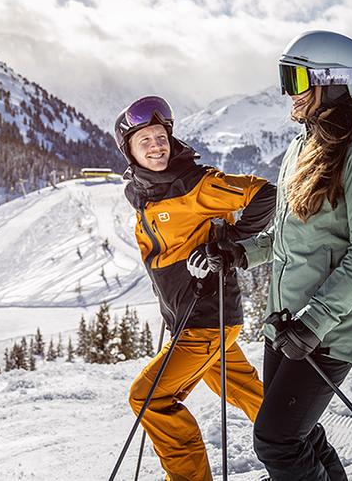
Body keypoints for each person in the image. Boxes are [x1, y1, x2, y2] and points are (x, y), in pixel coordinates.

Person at [231, 30, 352, 480]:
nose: (288, 92)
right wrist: (240, 253)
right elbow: (294, 237)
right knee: (298, 435)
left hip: (327, 329)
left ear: (333, 82)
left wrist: (315, 321)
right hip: (287, 322)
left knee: (277, 440)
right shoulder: (302, 146)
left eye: (296, 79)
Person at [115, 95, 276, 481]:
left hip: (205, 319)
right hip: (192, 319)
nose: (156, 145)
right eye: (145, 141)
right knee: (251, 394)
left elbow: (265, 194)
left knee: (149, 398)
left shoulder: (196, 183)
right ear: (130, 152)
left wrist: (231, 242)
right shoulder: (146, 193)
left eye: (160, 137)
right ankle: (301, 452)